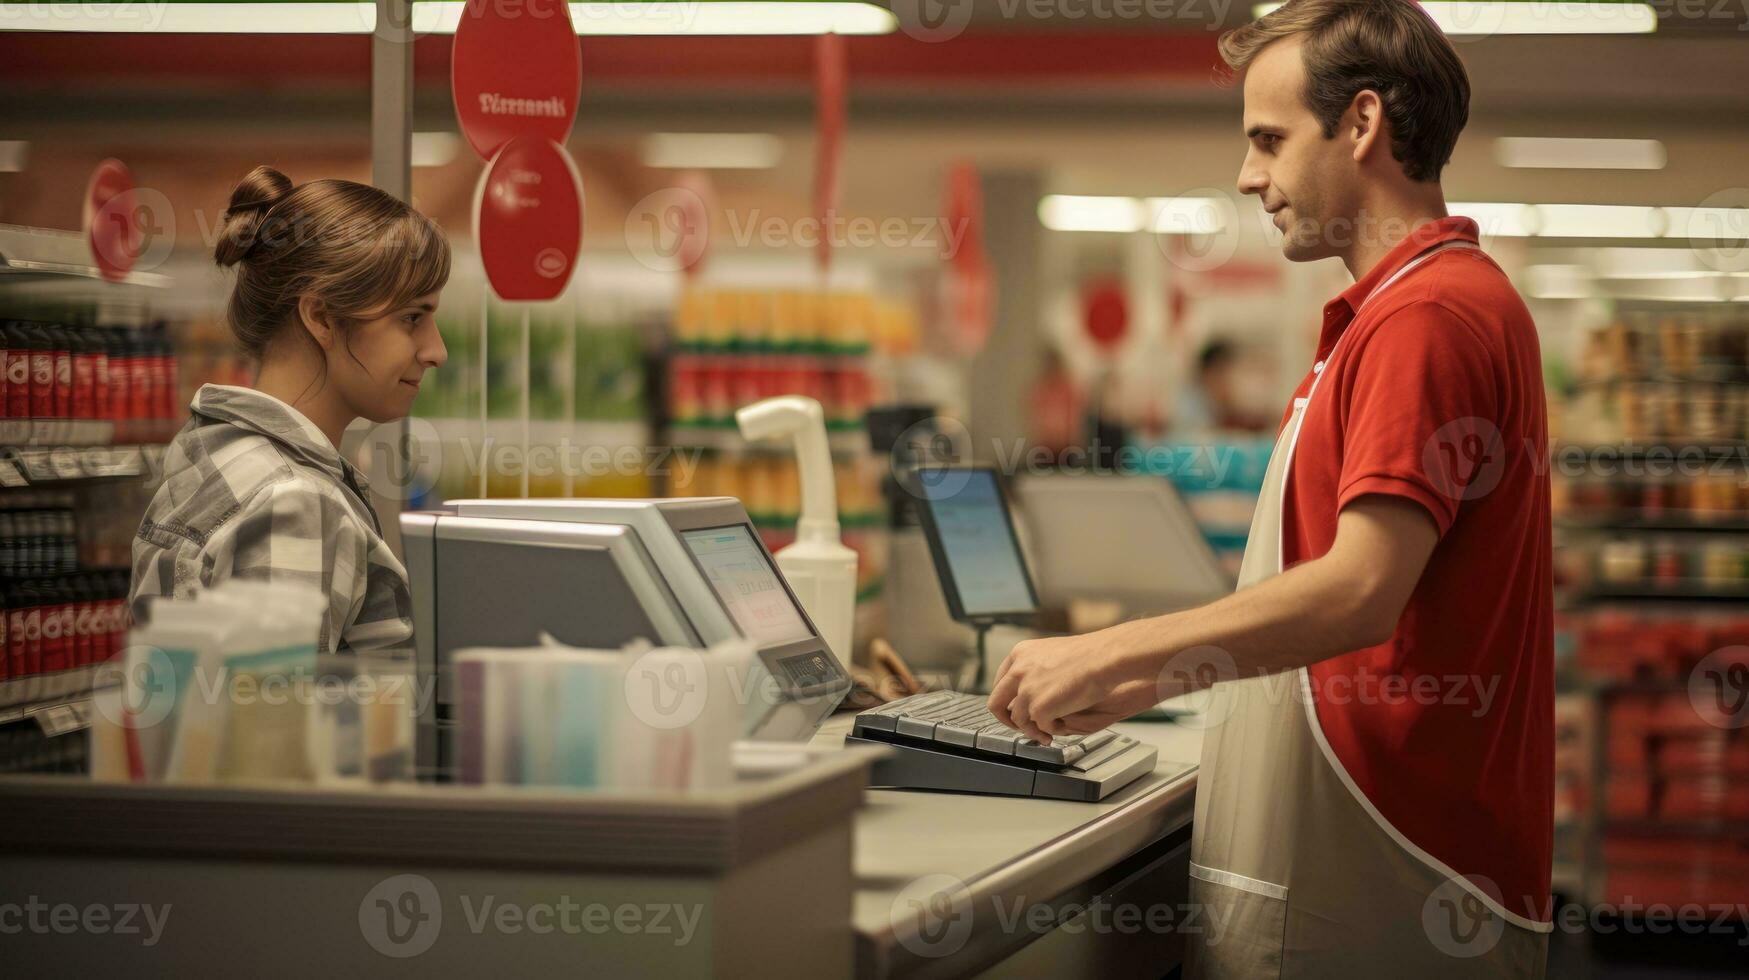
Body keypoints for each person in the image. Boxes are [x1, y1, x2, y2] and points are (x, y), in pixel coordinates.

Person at [986, 1, 1554, 975]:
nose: (1250, 175)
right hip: (1381, 845)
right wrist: (1140, 681)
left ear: (1364, 122)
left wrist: (1106, 647)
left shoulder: (1428, 317)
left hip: (1388, 857)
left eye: (1269, 139)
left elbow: (1358, 591)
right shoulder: (1399, 310)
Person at [130, 166, 450, 656]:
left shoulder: (211, 452)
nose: (436, 350)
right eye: (411, 318)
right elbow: (277, 726)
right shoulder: (295, 503)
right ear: (321, 316)